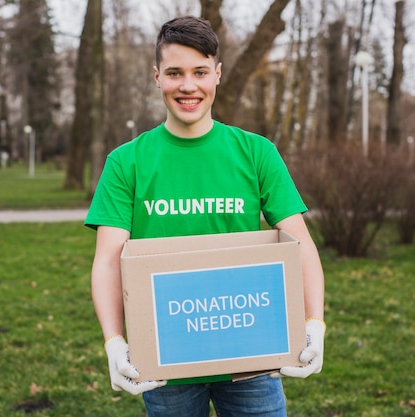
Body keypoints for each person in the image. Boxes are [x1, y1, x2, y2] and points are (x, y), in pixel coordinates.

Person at [85, 15, 325, 417]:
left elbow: (300, 244)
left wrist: (314, 321)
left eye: (200, 72)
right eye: (175, 73)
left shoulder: (256, 152)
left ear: (217, 74)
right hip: (165, 362)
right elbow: (108, 261)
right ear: (157, 76)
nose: (188, 86)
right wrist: (114, 340)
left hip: (251, 360)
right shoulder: (126, 162)